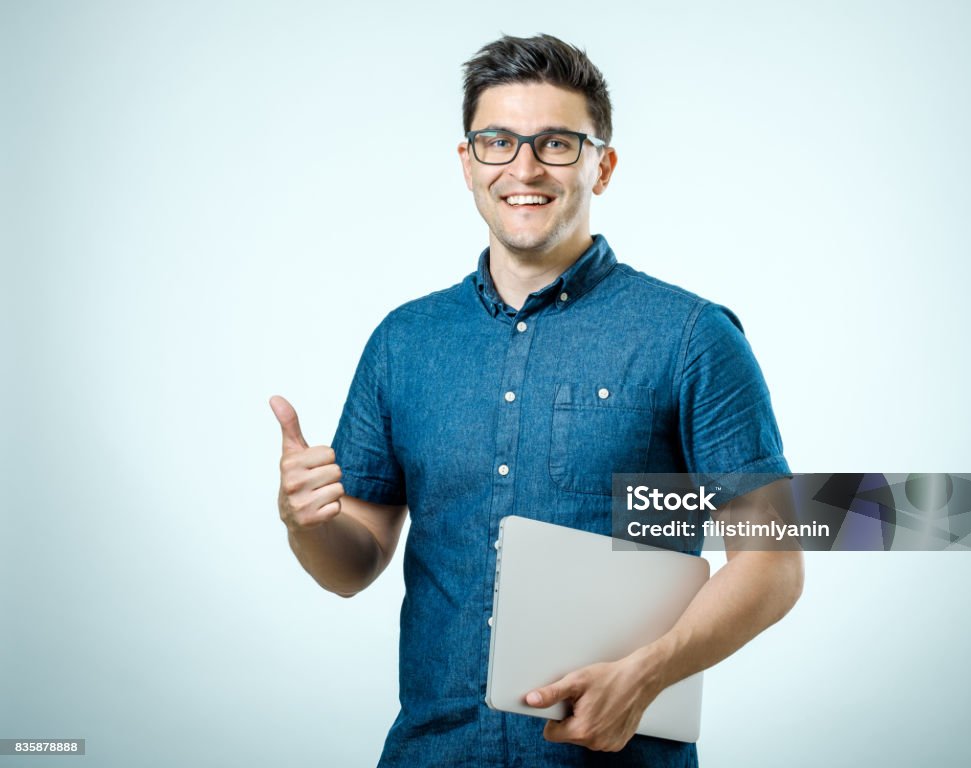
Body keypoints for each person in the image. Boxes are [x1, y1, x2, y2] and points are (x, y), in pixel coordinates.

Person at [270, 33, 803, 767]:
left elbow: (772, 562)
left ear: (601, 165)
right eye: (497, 142)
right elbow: (350, 565)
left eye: (556, 143)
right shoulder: (404, 341)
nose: (523, 167)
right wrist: (305, 521)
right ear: (467, 163)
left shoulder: (689, 336)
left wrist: (647, 675)